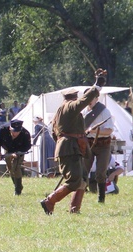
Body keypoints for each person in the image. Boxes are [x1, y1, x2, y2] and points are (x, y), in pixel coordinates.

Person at [40, 69, 106, 215]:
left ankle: (74, 209)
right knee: (75, 180)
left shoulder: (61, 111)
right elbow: (83, 102)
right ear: (74, 97)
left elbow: (54, 132)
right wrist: (97, 86)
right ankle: (49, 201)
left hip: (72, 147)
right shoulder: (69, 107)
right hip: (70, 148)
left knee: (82, 179)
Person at [83, 96, 115, 203]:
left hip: (103, 144)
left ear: (96, 98)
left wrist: (96, 131)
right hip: (88, 143)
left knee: (101, 173)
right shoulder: (84, 111)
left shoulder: (105, 111)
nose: (89, 101)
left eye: (90, 98)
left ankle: (101, 198)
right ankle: (78, 198)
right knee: (83, 171)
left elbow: (109, 130)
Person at [0, 119, 32, 196]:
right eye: (14, 131)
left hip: (19, 151)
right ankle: (17, 185)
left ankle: (17, 190)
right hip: (7, 149)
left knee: (16, 168)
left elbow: (27, 146)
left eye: (18, 131)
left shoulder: (25, 133)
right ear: (10, 128)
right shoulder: (3, 129)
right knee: (10, 168)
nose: (16, 133)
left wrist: (17, 153)